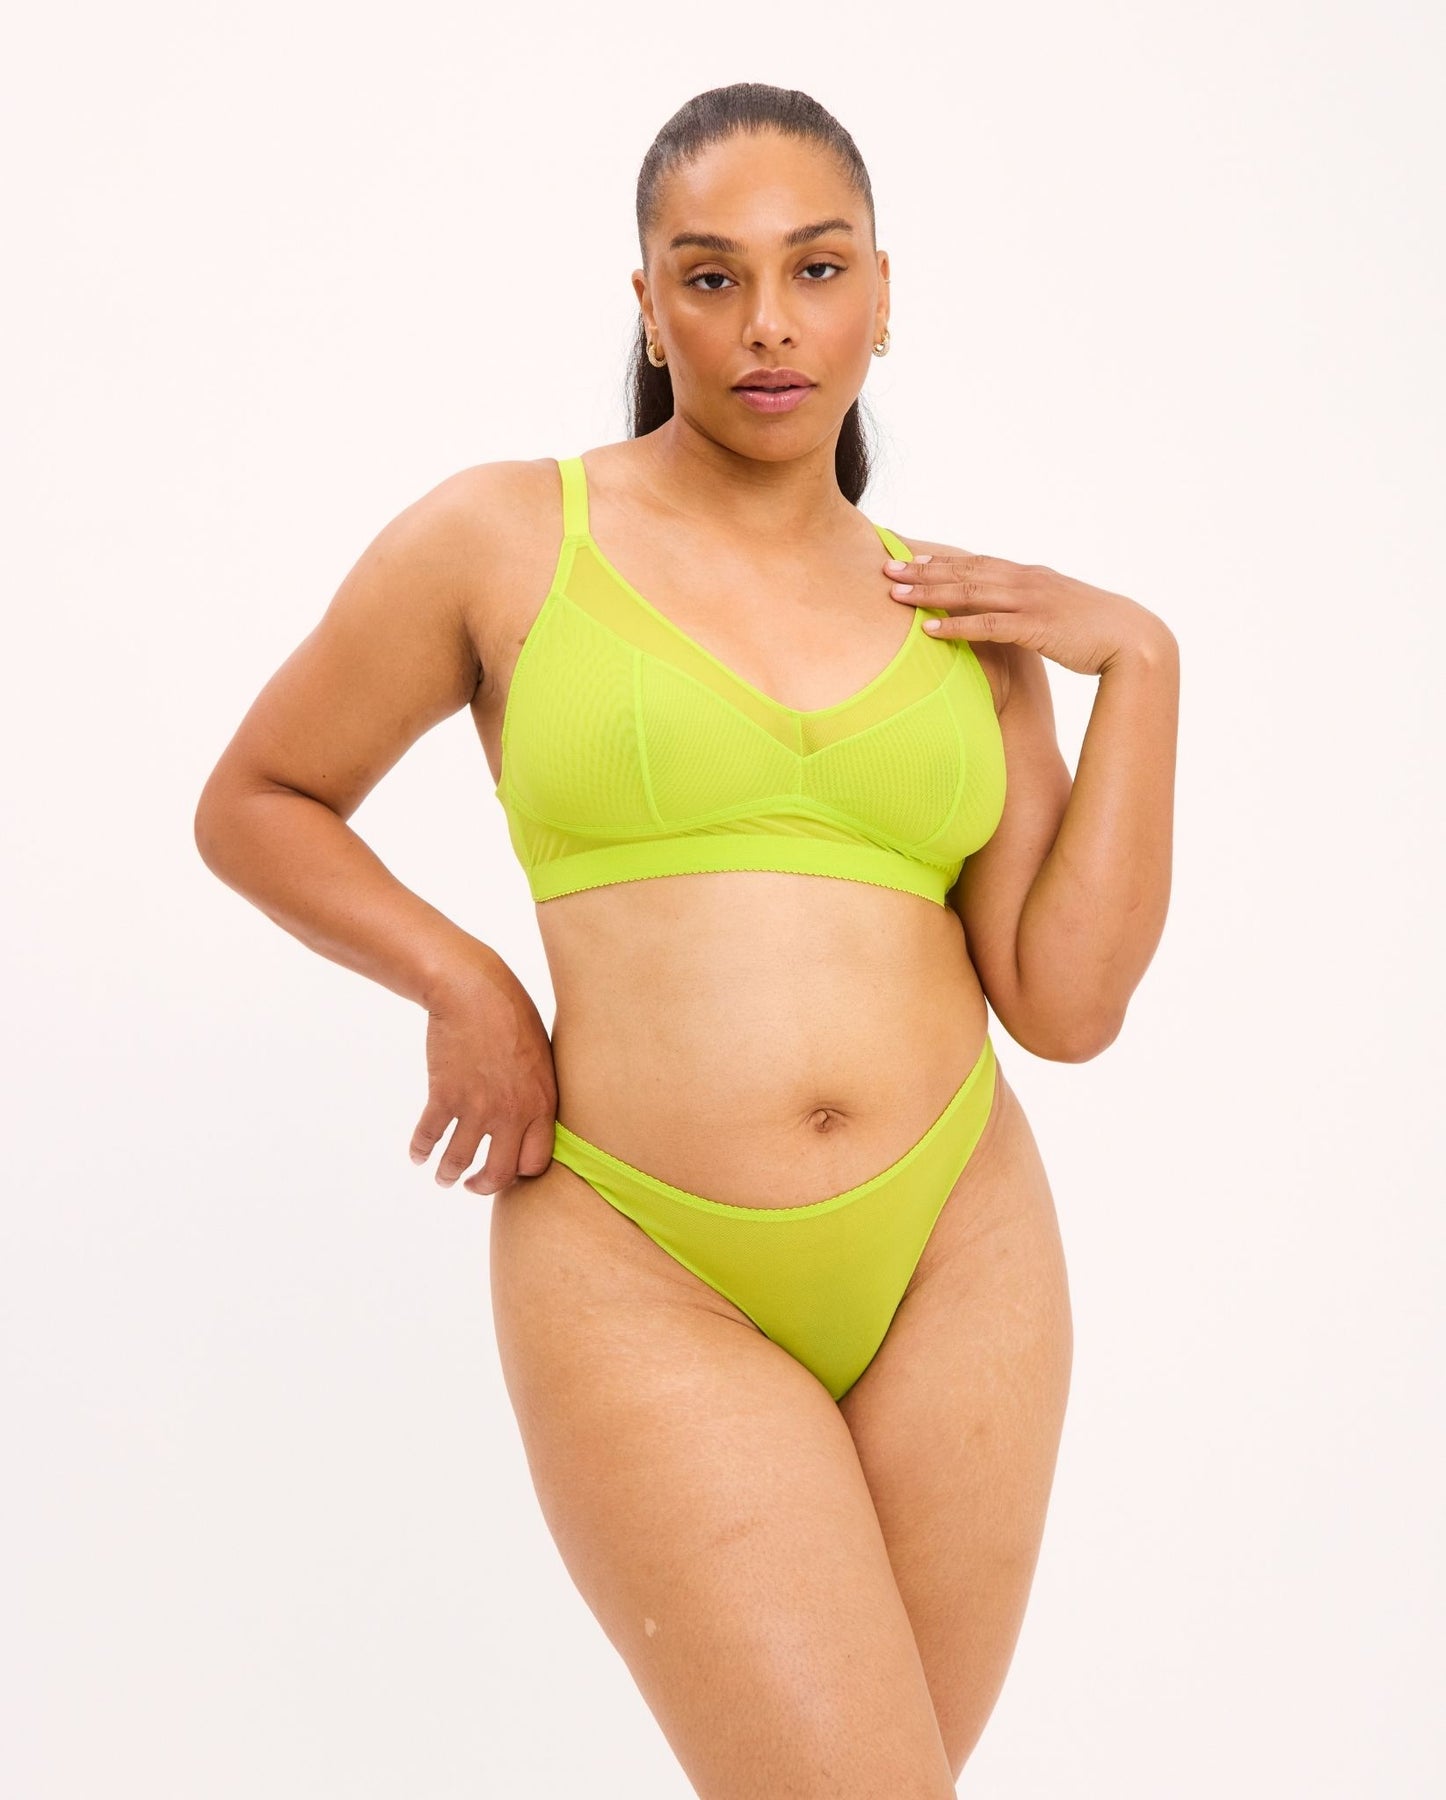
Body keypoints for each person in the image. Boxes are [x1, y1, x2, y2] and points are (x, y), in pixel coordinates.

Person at [195, 80, 1178, 1800]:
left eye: (816, 269)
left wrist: (1144, 666)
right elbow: (260, 798)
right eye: (711, 277)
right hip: (640, 1258)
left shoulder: (961, 618)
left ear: (882, 293)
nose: (768, 323)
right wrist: (464, 980)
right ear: (648, 307)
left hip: (959, 1245)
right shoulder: (505, 535)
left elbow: (1067, 1003)